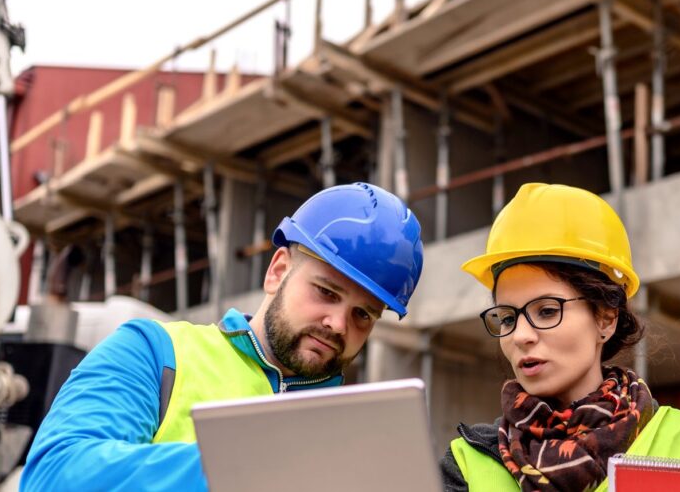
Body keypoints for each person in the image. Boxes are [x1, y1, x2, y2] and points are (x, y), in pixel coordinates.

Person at [21, 182, 424, 491]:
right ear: (278, 271)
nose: (338, 324)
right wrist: (252, 469)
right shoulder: (155, 354)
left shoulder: (359, 435)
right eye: (326, 292)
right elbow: (55, 476)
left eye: (362, 315)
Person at [440, 183, 680, 492]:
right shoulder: (468, 464)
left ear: (606, 319)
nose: (520, 335)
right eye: (507, 317)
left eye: (546, 311)